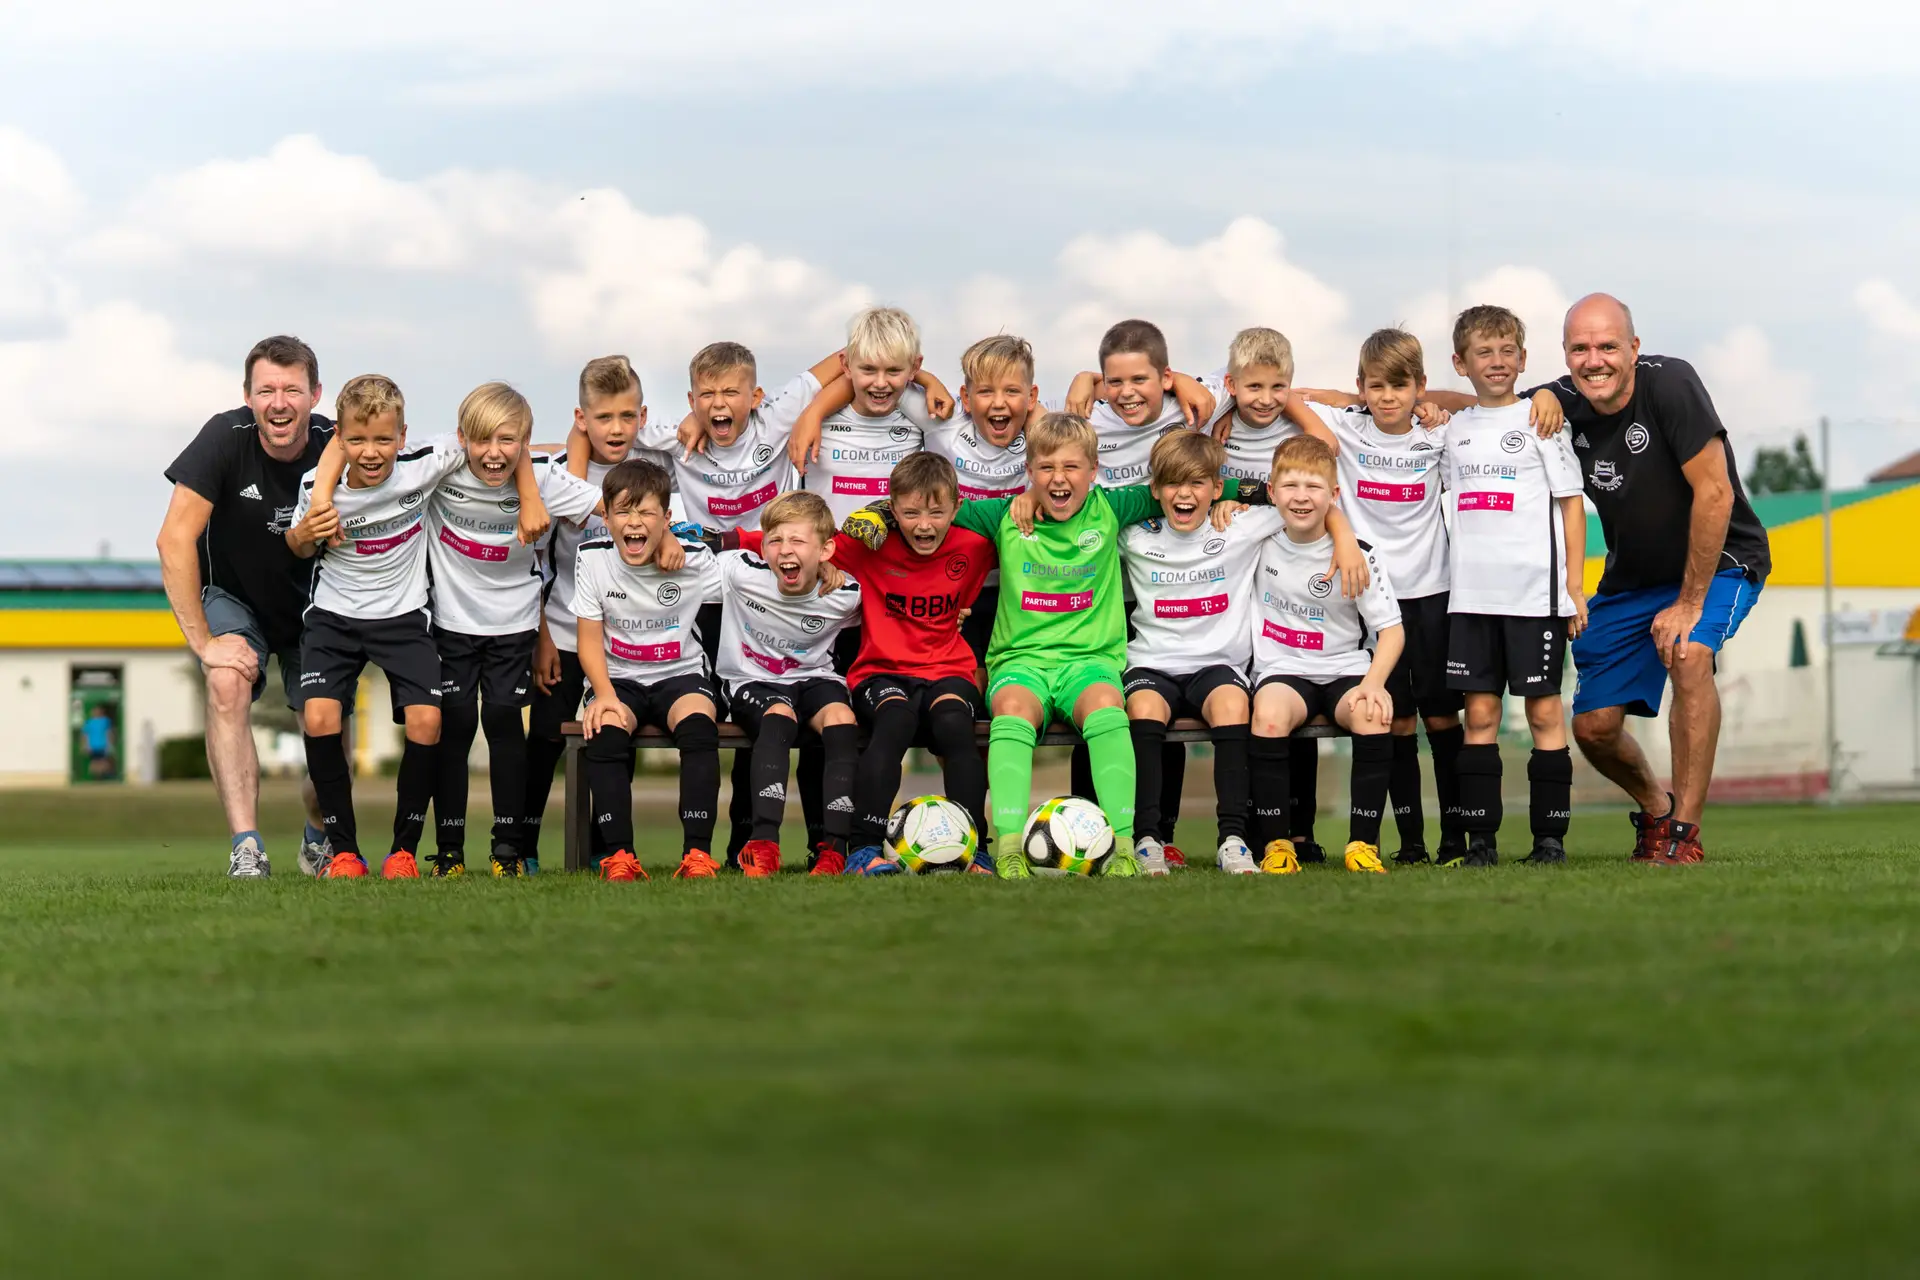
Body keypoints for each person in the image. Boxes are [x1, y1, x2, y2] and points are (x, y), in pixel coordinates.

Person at [848, 413, 1281, 879]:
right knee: (1010, 713)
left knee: (1108, 709)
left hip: (1089, 663)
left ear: (1093, 471)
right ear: (1029, 471)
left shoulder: (1114, 507)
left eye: (1072, 467)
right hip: (1022, 663)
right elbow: (925, 506)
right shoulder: (1002, 515)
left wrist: (1242, 498)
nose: (1059, 479)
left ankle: (1123, 846)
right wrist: (875, 513)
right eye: (1047, 467)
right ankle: (1010, 847)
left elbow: (1189, 484)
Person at [1548, 293, 1770, 865]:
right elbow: (1482, 407)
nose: (1594, 359)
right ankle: (1655, 809)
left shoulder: (1672, 384)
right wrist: (1387, 403)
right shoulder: (1559, 400)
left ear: (1634, 348)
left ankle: (1683, 835)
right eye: (1580, 348)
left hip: (1720, 561)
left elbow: (1715, 493)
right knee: (1593, 727)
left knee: (1690, 652)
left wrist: (1690, 602)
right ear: (1566, 354)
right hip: (1632, 579)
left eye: (1607, 346)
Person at [1280, 328, 1467, 865]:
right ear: (1361, 386)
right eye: (1376, 386)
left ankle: (1454, 839)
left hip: (1435, 594)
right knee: (1395, 719)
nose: (1388, 397)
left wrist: (1435, 407)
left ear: (1420, 387)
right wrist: (1341, 399)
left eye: (1401, 386)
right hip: (1373, 604)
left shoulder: (1439, 434)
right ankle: (1410, 844)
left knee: (1441, 721)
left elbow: (1478, 405)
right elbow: (1285, 394)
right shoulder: (1346, 424)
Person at [158, 335, 336, 878]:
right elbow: (174, 540)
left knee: (327, 723)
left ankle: (319, 836)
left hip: (318, 605)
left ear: (314, 395)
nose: (278, 402)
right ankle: (247, 847)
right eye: (266, 390)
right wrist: (205, 644)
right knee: (225, 682)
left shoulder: (340, 444)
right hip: (236, 599)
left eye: (291, 390)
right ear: (248, 396)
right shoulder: (223, 437)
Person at [285, 375, 472, 879]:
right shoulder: (315, 487)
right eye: (359, 440)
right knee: (321, 717)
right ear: (339, 440)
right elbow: (299, 547)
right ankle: (343, 851)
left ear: (403, 435)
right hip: (334, 617)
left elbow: (495, 440)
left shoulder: (423, 466)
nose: (372, 452)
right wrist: (304, 532)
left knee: (427, 722)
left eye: (384, 440)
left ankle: (403, 851)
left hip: (403, 615)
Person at [423, 384, 597, 875]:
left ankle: (509, 852)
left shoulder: (544, 477)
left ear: (524, 441)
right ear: (462, 438)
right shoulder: (443, 466)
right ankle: (449, 853)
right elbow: (384, 455)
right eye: (481, 441)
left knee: (503, 725)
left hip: (515, 627)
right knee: (454, 731)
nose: (493, 453)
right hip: (450, 625)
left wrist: (668, 532)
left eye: (507, 441)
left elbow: (612, 503)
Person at [1443, 307, 1587, 866]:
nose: (1497, 362)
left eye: (1507, 351)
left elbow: (1571, 506)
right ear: (1462, 363)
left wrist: (1574, 587)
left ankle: (1549, 841)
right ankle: (1482, 842)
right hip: (1471, 599)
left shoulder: (1541, 420)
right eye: (1484, 352)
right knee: (1478, 718)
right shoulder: (1452, 430)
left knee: (1545, 715)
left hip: (1534, 597)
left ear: (1523, 360)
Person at [807, 452, 995, 875]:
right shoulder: (869, 543)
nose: (924, 525)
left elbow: (1035, 525)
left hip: (948, 668)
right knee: (894, 723)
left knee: (954, 727)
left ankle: (976, 850)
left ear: (957, 508)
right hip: (881, 671)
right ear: (892, 510)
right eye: (910, 513)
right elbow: (804, 540)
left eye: (936, 513)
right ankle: (863, 850)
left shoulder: (976, 546)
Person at [1120, 432, 1279, 875]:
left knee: (1232, 704)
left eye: (1197, 484)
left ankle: (1234, 839)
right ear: (1155, 490)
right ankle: (1147, 839)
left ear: (1215, 487)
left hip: (1217, 666)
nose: (1184, 494)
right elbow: (1079, 514)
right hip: (1152, 664)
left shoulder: (1241, 524)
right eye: (1172, 484)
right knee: (1143, 708)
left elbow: (1300, 495)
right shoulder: (1134, 535)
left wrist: (1342, 537)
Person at [1247, 436, 1403, 875]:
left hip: (1344, 669)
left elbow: (1391, 630)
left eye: (1314, 487)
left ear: (1333, 495)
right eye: (1291, 486)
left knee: (1373, 714)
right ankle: (1278, 845)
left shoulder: (1358, 554)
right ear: (1272, 492)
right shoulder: (1256, 538)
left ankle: (1362, 845)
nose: (1301, 497)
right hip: (1282, 669)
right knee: (1270, 716)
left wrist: (1373, 684)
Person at [523, 356, 653, 871]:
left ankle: (609, 846)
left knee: (617, 741)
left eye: (627, 416)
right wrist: (542, 639)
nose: (616, 429)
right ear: (582, 419)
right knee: (547, 741)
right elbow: (534, 565)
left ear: (641, 416)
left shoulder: (654, 473)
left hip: (626, 640)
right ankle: (522, 847)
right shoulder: (556, 478)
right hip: (563, 632)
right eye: (603, 418)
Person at [574, 459, 725, 882]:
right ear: (605, 517)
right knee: (605, 729)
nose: (634, 522)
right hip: (618, 678)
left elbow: (752, 582)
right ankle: (619, 856)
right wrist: (603, 696)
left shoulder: (696, 558)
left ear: (666, 518)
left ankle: (697, 855)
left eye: (647, 513)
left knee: (699, 728)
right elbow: (588, 641)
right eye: (623, 511)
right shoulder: (591, 559)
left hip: (680, 675)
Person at [714, 492, 864, 877]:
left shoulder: (846, 596)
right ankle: (763, 846)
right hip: (752, 679)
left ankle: (833, 851)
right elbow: (682, 553)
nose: (785, 551)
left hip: (814, 678)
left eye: (797, 541)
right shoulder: (737, 571)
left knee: (841, 719)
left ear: (826, 549)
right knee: (779, 716)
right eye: (775, 541)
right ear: (763, 547)